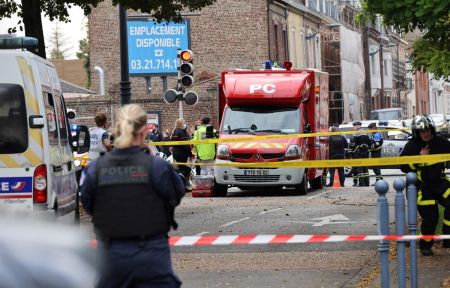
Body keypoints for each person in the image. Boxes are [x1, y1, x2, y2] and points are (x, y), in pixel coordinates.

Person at [80, 104, 185, 287]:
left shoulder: (96, 168)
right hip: (152, 258)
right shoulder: (157, 167)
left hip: (111, 259)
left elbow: (88, 203)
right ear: (145, 131)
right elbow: (176, 194)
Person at [400, 114, 450, 256]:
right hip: (422, 187)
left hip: (439, 182)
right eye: (422, 131)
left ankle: (448, 239)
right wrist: (419, 159)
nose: (426, 133)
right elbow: (403, 166)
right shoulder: (412, 146)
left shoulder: (441, 142)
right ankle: (425, 245)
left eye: (427, 130)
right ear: (417, 132)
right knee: (431, 217)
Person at [171, 118, 194, 189]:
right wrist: (190, 154)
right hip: (182, 154)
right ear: (181, 124)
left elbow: (171, 141)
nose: (185, 124)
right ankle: (178, 179)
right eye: (184, 122)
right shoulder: (181, 132)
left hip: (175, 153)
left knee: (181, 169)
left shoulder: (174, 131)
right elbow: (185, 145)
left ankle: (182, 186)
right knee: (187, 170)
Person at [349, 121, 371, 187]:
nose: (353, 128)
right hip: (366, 153)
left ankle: (361, 183)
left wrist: (351, 151)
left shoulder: (356, 133)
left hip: (358, 153)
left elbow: (352, 144)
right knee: (365, 168)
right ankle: (367, 183)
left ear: (357, 126)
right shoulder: (366, 133)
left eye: (354, 126)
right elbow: (370, 143)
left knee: (360, 168)